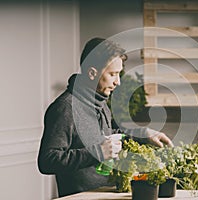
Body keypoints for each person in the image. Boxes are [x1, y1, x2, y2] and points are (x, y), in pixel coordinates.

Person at [37, 37, 173, 197]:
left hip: (106, 193)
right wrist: (97, 153)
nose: (118, 82)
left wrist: (143, 135)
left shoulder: (99, 102)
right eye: (113, 74)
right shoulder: (65, 108)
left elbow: (110, 134)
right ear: (92, 73)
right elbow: (47, 161)